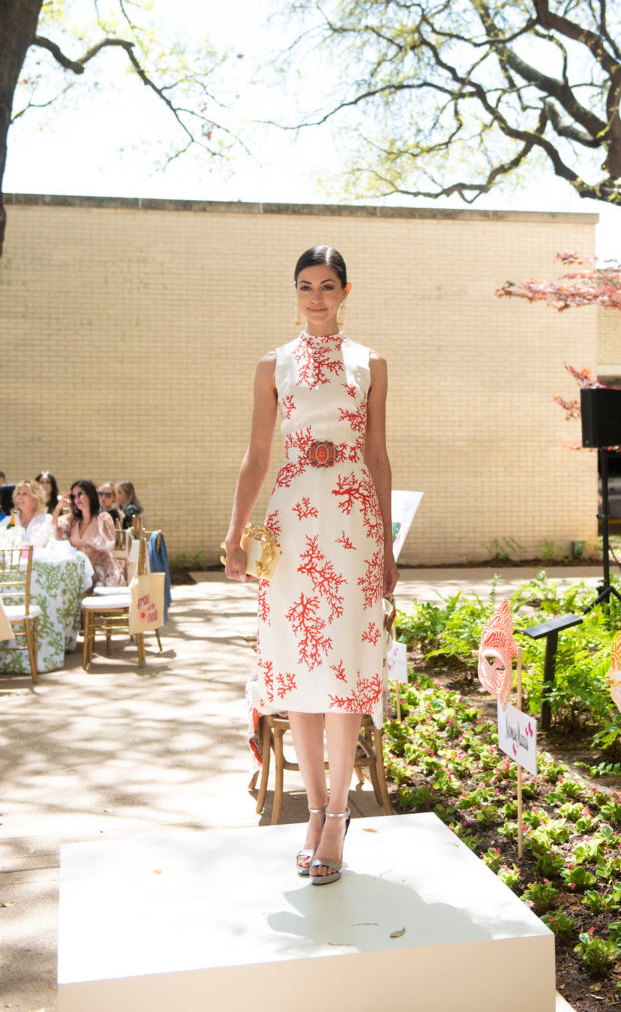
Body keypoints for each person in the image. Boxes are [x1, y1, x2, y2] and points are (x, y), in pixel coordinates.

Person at [223, 245, 398, 885]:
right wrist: (234, 536)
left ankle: (338, 819)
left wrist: (385, 548)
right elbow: (255, 456)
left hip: (353, 521)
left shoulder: (370, 363)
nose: (315, 297)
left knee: (347, 664)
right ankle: (314, 810)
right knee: (297, 665)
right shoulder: (273, 364)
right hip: (293, 521)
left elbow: (378, 456)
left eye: (327, 286)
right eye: (305, 286)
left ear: (346, 292)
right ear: (294, 293)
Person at [52, 479, 125, 588]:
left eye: (80, 494)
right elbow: (52, 530)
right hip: (79, 573)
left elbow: (95, 551)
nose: (77, 499)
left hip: (101, 575)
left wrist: (81, 578)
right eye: (74, 496)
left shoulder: (103, 519)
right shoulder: (73, 520)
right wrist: (58, 508)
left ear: (90, 495)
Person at [5, 480, 52, 546]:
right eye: (18, 494)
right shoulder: (8, 521)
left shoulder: (47, 520)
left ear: (35, 498)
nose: (19, 497)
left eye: (24, 494)